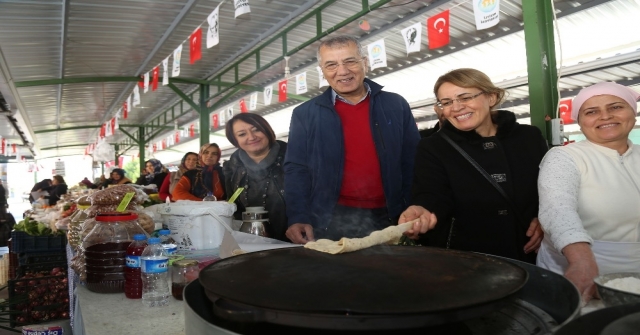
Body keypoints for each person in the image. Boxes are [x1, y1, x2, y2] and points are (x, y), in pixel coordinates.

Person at [399, 68, 546, 264]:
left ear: (491, 97)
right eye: (447, 102)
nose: (456, 107)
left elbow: (549, 189)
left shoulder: (529, 137)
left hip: (529, 251)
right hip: (468, 258)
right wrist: (422, 210)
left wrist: (545, 219)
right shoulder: (433, 147)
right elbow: (430, 193)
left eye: (465, 97)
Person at [284, 35, 420, 244]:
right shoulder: (305, 113)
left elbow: (413, 161)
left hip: (392, 215)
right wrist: (298, 216)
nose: (342, 71)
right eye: (332, 65)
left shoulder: (395, 105)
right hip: (330, 219)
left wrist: (415, 206)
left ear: (365, 62)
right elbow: (296, 168)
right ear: (322, 71)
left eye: (350, 61)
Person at [537, 82, 640, 302]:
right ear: (580, 121)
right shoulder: (564, 157)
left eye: (615, 107)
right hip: (581, 272)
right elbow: (557, 209)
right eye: (591, 111)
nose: (605, 116)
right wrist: (581, 260)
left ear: (633, 111)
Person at [223, 114, 288, 241]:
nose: (251, 137)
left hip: (294, 239)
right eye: (242, 134)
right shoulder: (233, 166)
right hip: (251, 241)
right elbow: (233, 205)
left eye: (256, 129)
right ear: (235, 140)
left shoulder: (292, 158)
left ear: (267, 130)